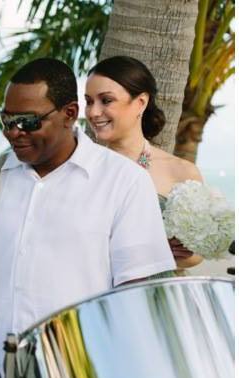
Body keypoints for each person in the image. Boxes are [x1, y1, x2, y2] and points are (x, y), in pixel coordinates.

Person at [0, 57, 174, 378]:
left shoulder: (124, 182)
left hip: (74, 376)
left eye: (28, 122)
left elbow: (136, 294)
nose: (14, 133)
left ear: (69, 113)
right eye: (7, 121)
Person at [85, 55, 204, 270]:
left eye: (106, 100)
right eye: (89, 101)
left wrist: (177, 251)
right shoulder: (84, 169)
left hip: (158, 296)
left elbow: (197, 255)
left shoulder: (181, 171)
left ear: (140, 102)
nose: (93, 112)